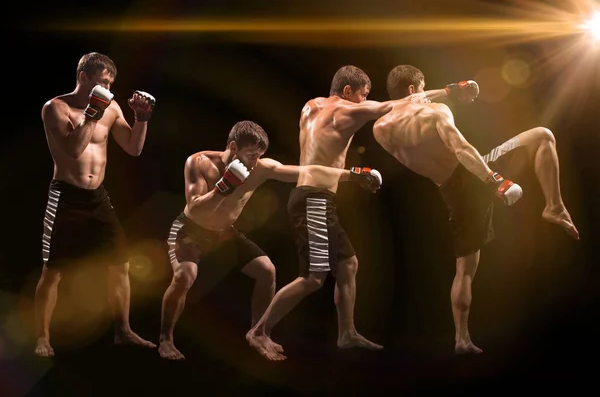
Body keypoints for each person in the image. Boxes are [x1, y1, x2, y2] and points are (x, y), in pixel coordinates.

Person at [372, 64, 579, 354]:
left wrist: (451, 90)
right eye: (422, 89)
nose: (425, 94)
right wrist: (496, 180)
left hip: (449, 192)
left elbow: (410, 107)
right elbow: (460, 149)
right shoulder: (435, 113)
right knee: (543, 134)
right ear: (413, 90)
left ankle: (461, 339)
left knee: (465, 269)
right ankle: (554, 207)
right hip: (475, 174)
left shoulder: (380, 130)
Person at [158, 120, 382, 360]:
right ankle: (165, 340)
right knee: (184, 277)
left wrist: (353, 174)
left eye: (259, 156)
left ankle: (258, 333)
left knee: (267, 271)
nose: (254, 162)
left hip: (224, 234)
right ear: (233, 147)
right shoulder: (199, 162)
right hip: (189, 230)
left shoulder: (261, 168)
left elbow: (308, 172)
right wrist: (223, 188)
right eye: (251, 155)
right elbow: (196, 208)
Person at [246, 65, 407, 361]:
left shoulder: (310, 106)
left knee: (349, 265)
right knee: (312, 278)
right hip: (314, 200)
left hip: (315, 199)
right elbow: (388, 106)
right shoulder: (342, 109)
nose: (362, 102)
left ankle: (346, 333)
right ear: (347, 91)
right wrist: (445, 92)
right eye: (362, 95)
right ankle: (258, 332)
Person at [34, 52, 157, 357]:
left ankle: (123, 331)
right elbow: (74, 150)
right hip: (66, 195)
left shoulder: (112, 107)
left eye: (110, 83)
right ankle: (42, 338)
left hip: (97, 196)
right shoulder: (55, 108)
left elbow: (133, 148)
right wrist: (92, 113)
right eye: (101, 81)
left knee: (120, 264)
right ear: (83, 77)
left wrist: (142, 117)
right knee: (54, 272)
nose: (106, 87)